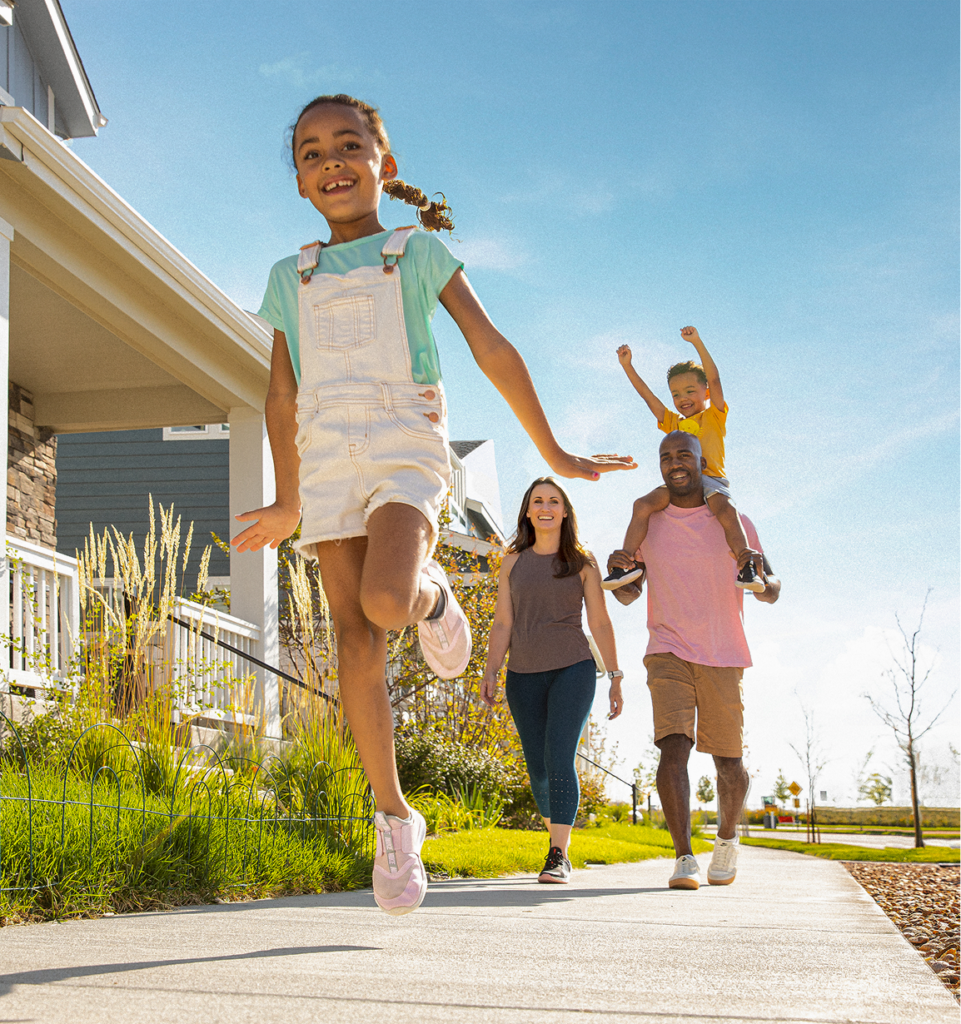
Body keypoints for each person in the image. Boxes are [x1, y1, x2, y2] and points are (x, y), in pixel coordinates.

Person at [231, 94, 634, 916]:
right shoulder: (290, 275)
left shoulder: (417, 254)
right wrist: (286, 497)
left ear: (386, 165)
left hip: (403, 443)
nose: (331, 160)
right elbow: (279, 396)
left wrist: (553, 450)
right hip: (326, 457)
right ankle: (393, 816)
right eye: (311, 152)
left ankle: (435, 595)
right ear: (300, 181)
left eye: (350, 144)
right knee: (354, 639)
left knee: (387, 599)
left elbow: (491, 346)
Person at [608, 431, 780, 890]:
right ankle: (683, 857)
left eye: (684, 454)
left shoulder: (734, 520)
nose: (674, 463)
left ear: (703, 463)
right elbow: (627, 594)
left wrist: (761, 578)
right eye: (665, 457)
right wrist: (617, 566)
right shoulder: (651, 519)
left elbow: (774, 590)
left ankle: (725, 839)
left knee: (728, 761)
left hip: (723, 652)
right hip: (666, 647)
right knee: (673, 745)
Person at [481, 478, 623, 885]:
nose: (545, 507)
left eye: (554, 501)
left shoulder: (582, 561)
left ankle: (558, 853)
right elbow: (503, 621)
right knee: (538, 768)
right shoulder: (513, 562)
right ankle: (557, 838)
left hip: (572, 669)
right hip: (522, 674)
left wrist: (614, 676)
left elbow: (599, 621)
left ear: (564, 511)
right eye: (537, 501)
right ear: (527, 511)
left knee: (560, 757)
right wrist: (491, 669)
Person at [603, 326, 763, 593]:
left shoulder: (715, 415)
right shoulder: (674, 423)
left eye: (690, 391)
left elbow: (715, 378)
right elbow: (648, 398)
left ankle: (746, 567)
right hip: (681, 482)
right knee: (642, 504)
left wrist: (697, 343)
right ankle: (625, 565)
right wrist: (628, 367)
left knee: (726, 511)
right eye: (676, 394)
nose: (682, 399)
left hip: (711, 481)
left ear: (706, 392)